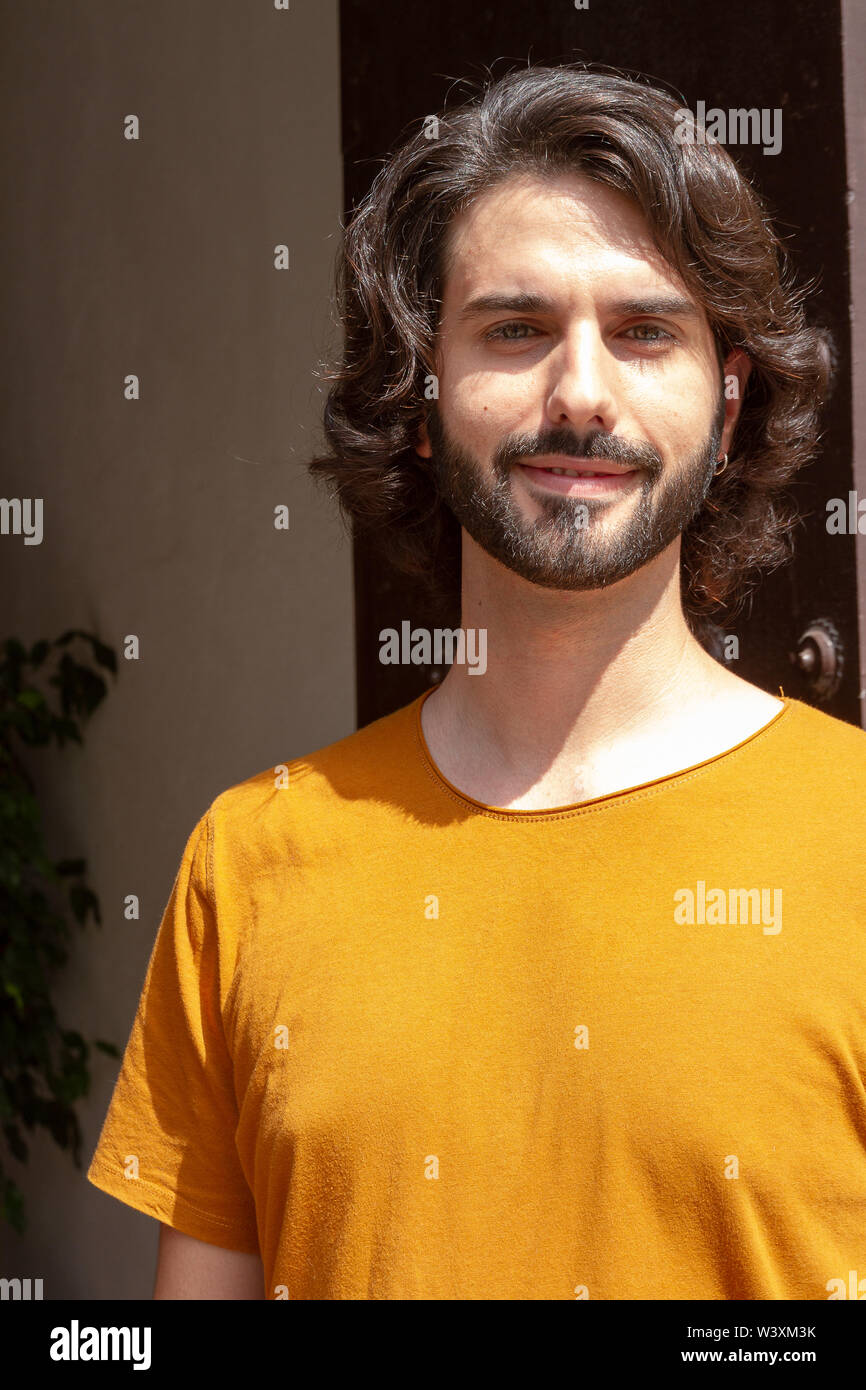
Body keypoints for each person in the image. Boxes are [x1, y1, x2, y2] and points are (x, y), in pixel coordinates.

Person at [87, 63, 866, 1301]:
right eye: (513, 329)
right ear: (418, 394)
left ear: (726, 405)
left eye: (644, 330)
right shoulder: (249, 865)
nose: (579, 392)